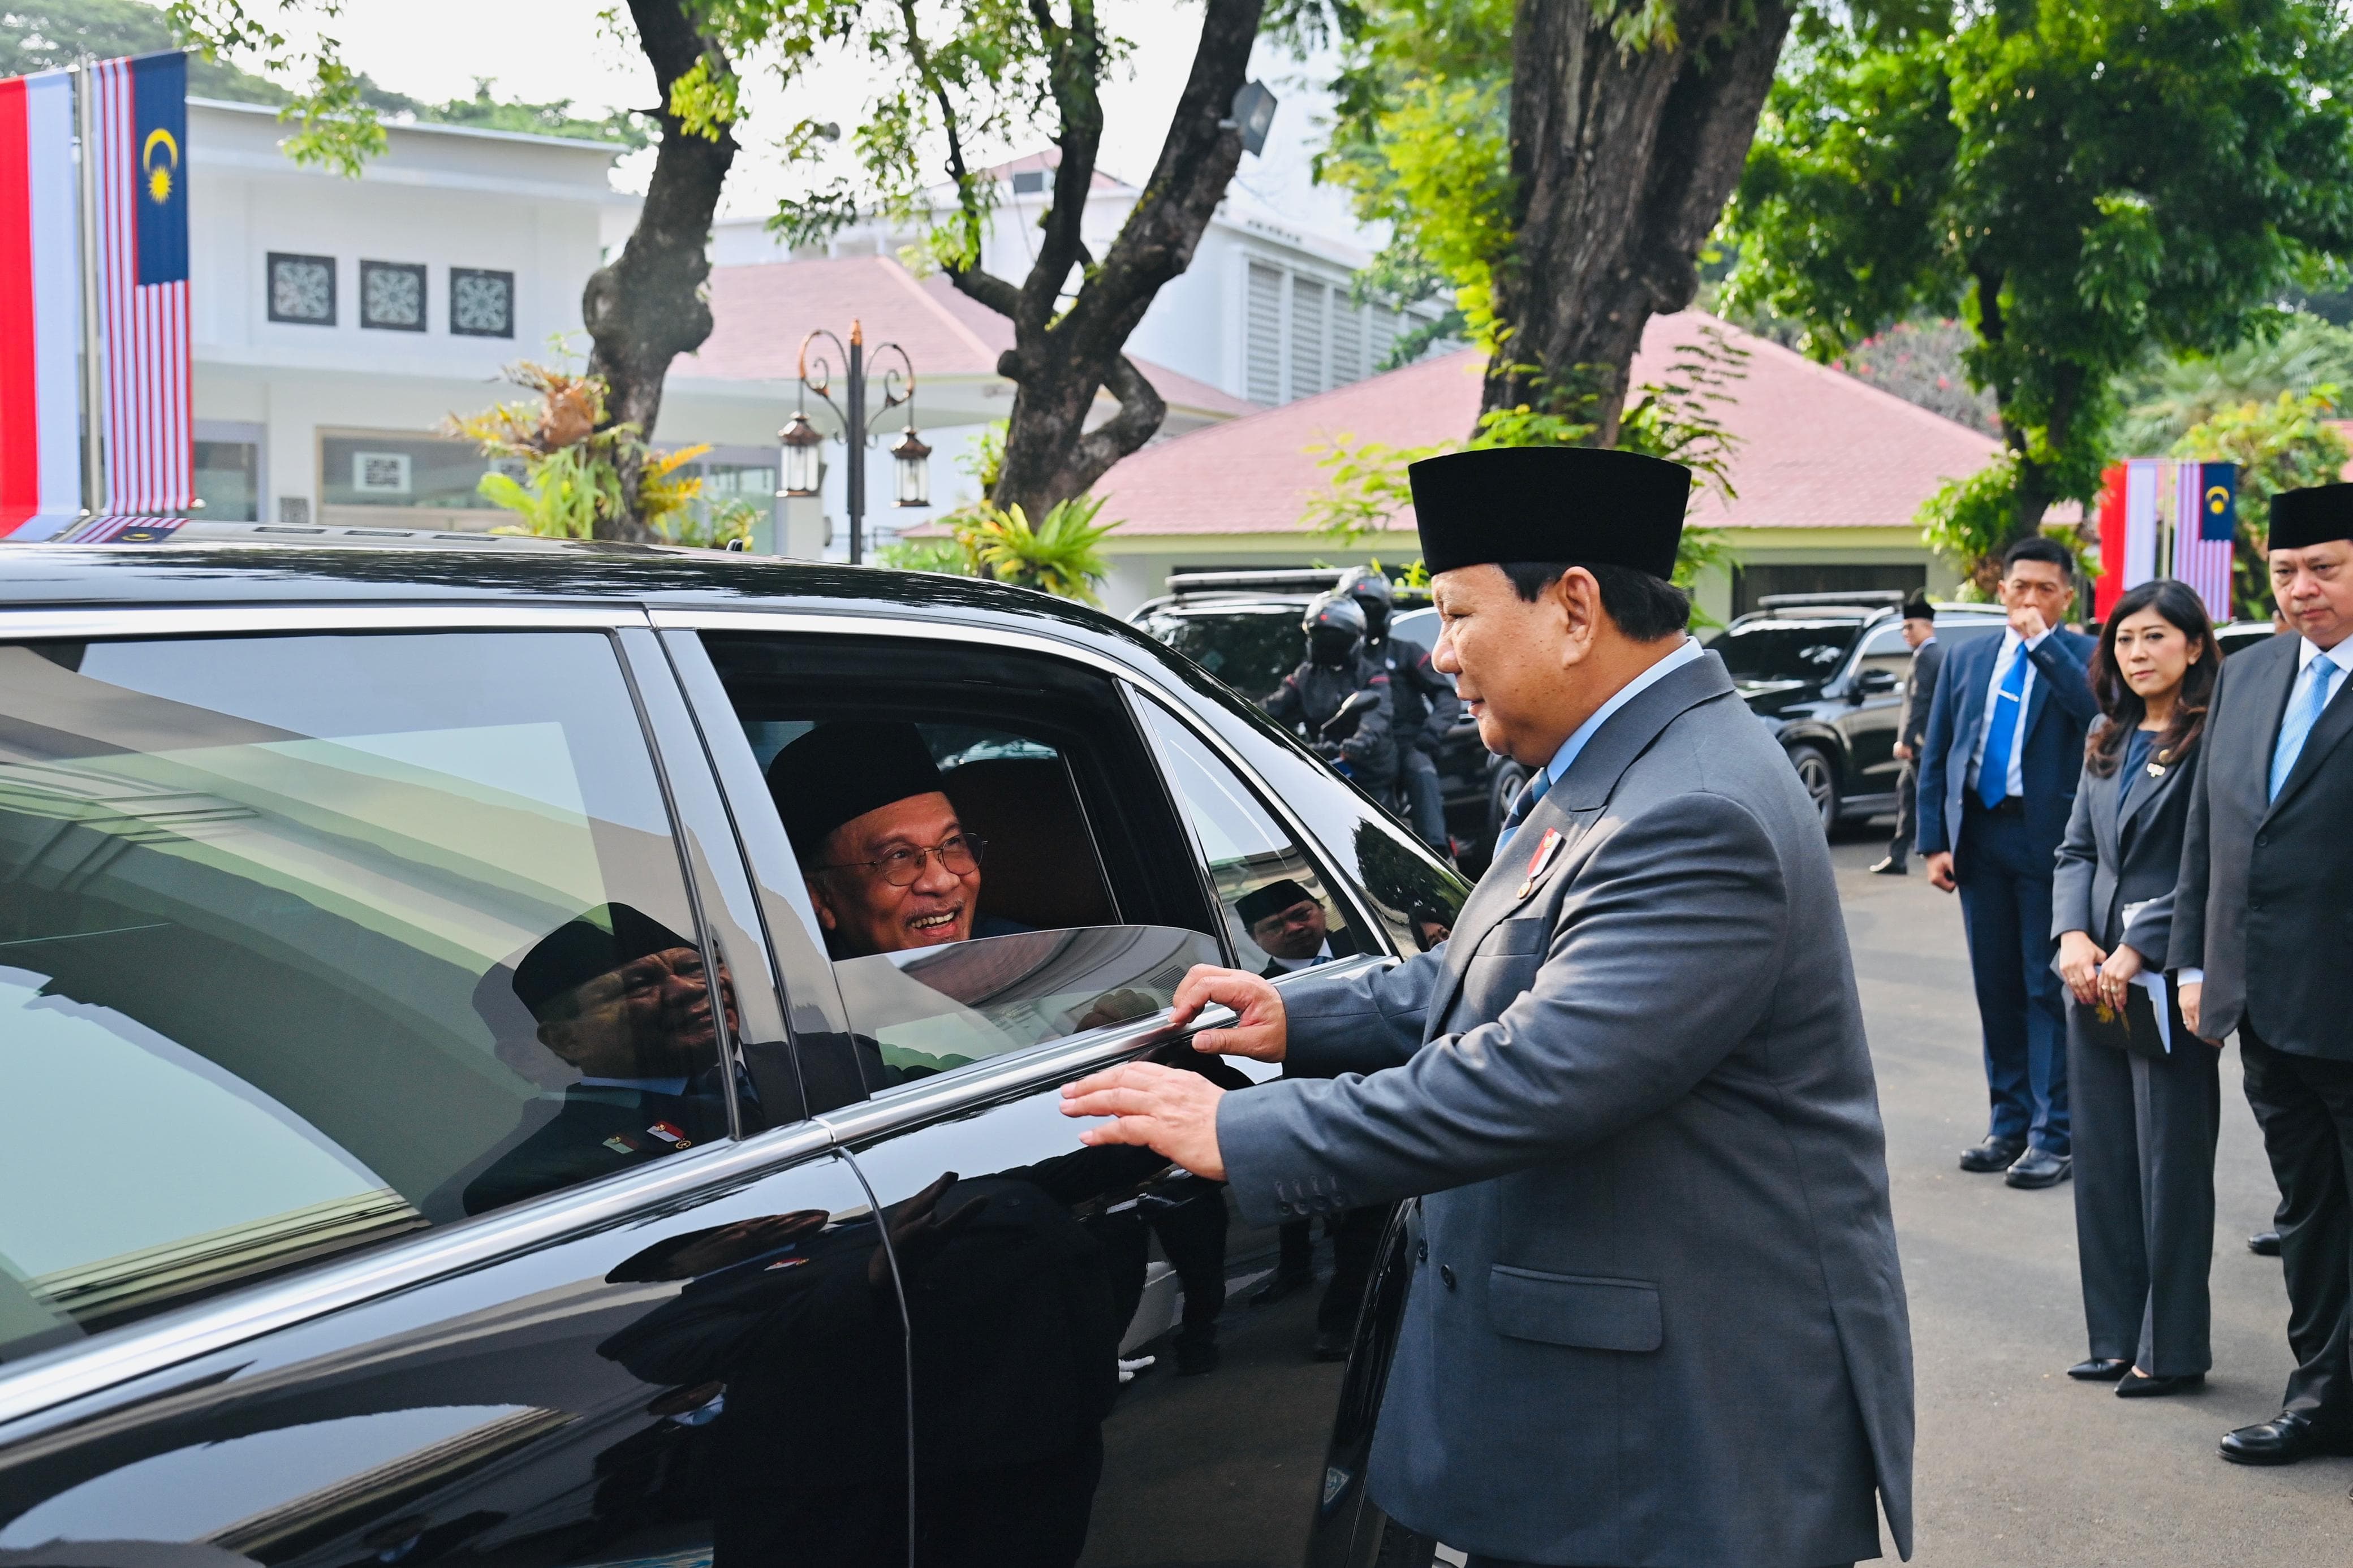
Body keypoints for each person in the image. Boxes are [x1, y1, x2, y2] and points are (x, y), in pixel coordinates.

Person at [1061, 445, 1913, 1568]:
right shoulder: (1615, 765)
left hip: (1676, 1441)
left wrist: (1235, 1128)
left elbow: (1538, 1072)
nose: (1442, 654)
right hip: (1613, 1416)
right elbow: (1488, 971)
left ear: (1573, 608)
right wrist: (1296, 1015)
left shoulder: (1693, 807)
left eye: (1458, 615)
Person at [2173, 480, 2353, 1467]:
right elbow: (2212, 828)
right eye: (2286, 571)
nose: (2301, 589)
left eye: (2324, 568)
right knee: (2309, 1213)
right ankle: (2324, 1393)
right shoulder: (2249, 672)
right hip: (2269, 1010)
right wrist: (2199, 961)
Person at [2050, 580, 2219, 1398]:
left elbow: (2217, 863)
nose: (2138, 653)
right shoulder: (2106, 734)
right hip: (2093, 982)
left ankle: (2173, 1347)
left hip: (2165, 982)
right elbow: (2076, 849)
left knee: (2171, 1167)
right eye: (2124, 640)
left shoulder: (2216, 738)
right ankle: (2115, 1335)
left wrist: (2139, 945)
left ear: (2193, 645)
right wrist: (2074, 936)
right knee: (2108, 1161)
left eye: (2155, 637)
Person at [1916, 537, 2099, 1188]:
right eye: (2018, 587)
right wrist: (1932, 839)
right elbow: (1937, 750)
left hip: (2048, 839)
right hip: (1979, 835)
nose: (2027, 600)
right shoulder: (1962, 657)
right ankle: (2008, 1122)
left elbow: (2097, 717)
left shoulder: (2082, 656)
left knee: (2043, 986)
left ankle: (2055, 1135)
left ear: (2066, 597)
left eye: (2043, 590)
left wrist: (2043, 647)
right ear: (1999, 589)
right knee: (1994, 983)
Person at [464, 904, 733, 1215]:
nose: (688, 989)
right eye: (637, 986)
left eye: (694, 968)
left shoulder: (791, 1062)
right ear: (563, 1041)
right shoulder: (530, 1182)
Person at [765, 719, 1017, 958]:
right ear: (818, 896)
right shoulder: (783, 989)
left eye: (952, 843)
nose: (943, 881)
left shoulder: (1027, 959)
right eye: (899, 856)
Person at [1340, 565, 1463, 855]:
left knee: (1421, 772)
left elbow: (1446, 696)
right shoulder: (1338, 663)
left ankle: (1437, 853)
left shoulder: (1406, 652)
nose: (1365, 617)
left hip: (1408, 742)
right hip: (1359, 748)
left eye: (1371, 609)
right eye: (1357, 609)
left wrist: (1430, 736)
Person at [1265, 594, 1397, 794]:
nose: (1329, 647)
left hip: (1368, 771)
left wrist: (1360, 741)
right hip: (1317, 764)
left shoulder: (1372, 674)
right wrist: (1239, 715)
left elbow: (1378, 713)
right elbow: (1275, 705)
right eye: (1322, 640)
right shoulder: (1305, 675)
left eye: (1337, 641)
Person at [1870, 597, 1945, 876]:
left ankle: (1941, 853)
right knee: (1909, 794)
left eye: (1910, 627)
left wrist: (1907, 740)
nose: (1905, 633)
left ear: (1927, 626)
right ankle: (1898, 856)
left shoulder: (1927, 656)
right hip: (1928, 744)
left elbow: (1919, 701)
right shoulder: (1932, 655)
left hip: (1923, 744)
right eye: (1903, 628)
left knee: (1928, 799)